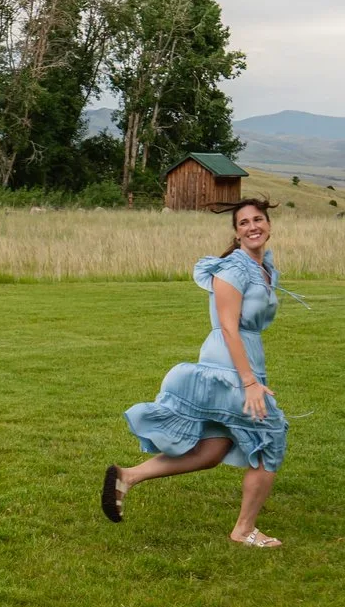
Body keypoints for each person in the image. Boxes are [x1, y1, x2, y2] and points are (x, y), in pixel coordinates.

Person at [102, 197, 290, 546]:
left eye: (258, 219)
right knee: (270, 437)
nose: (253, 227)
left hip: (245, 361)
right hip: (227, 367)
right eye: (244, 222)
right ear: (236, 232)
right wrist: (248, 382)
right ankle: (244, 530)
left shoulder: (262, 266)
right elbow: (230, 328)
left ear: (269, 224)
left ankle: (127, 477)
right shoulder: (232, 269)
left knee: (212, 449)